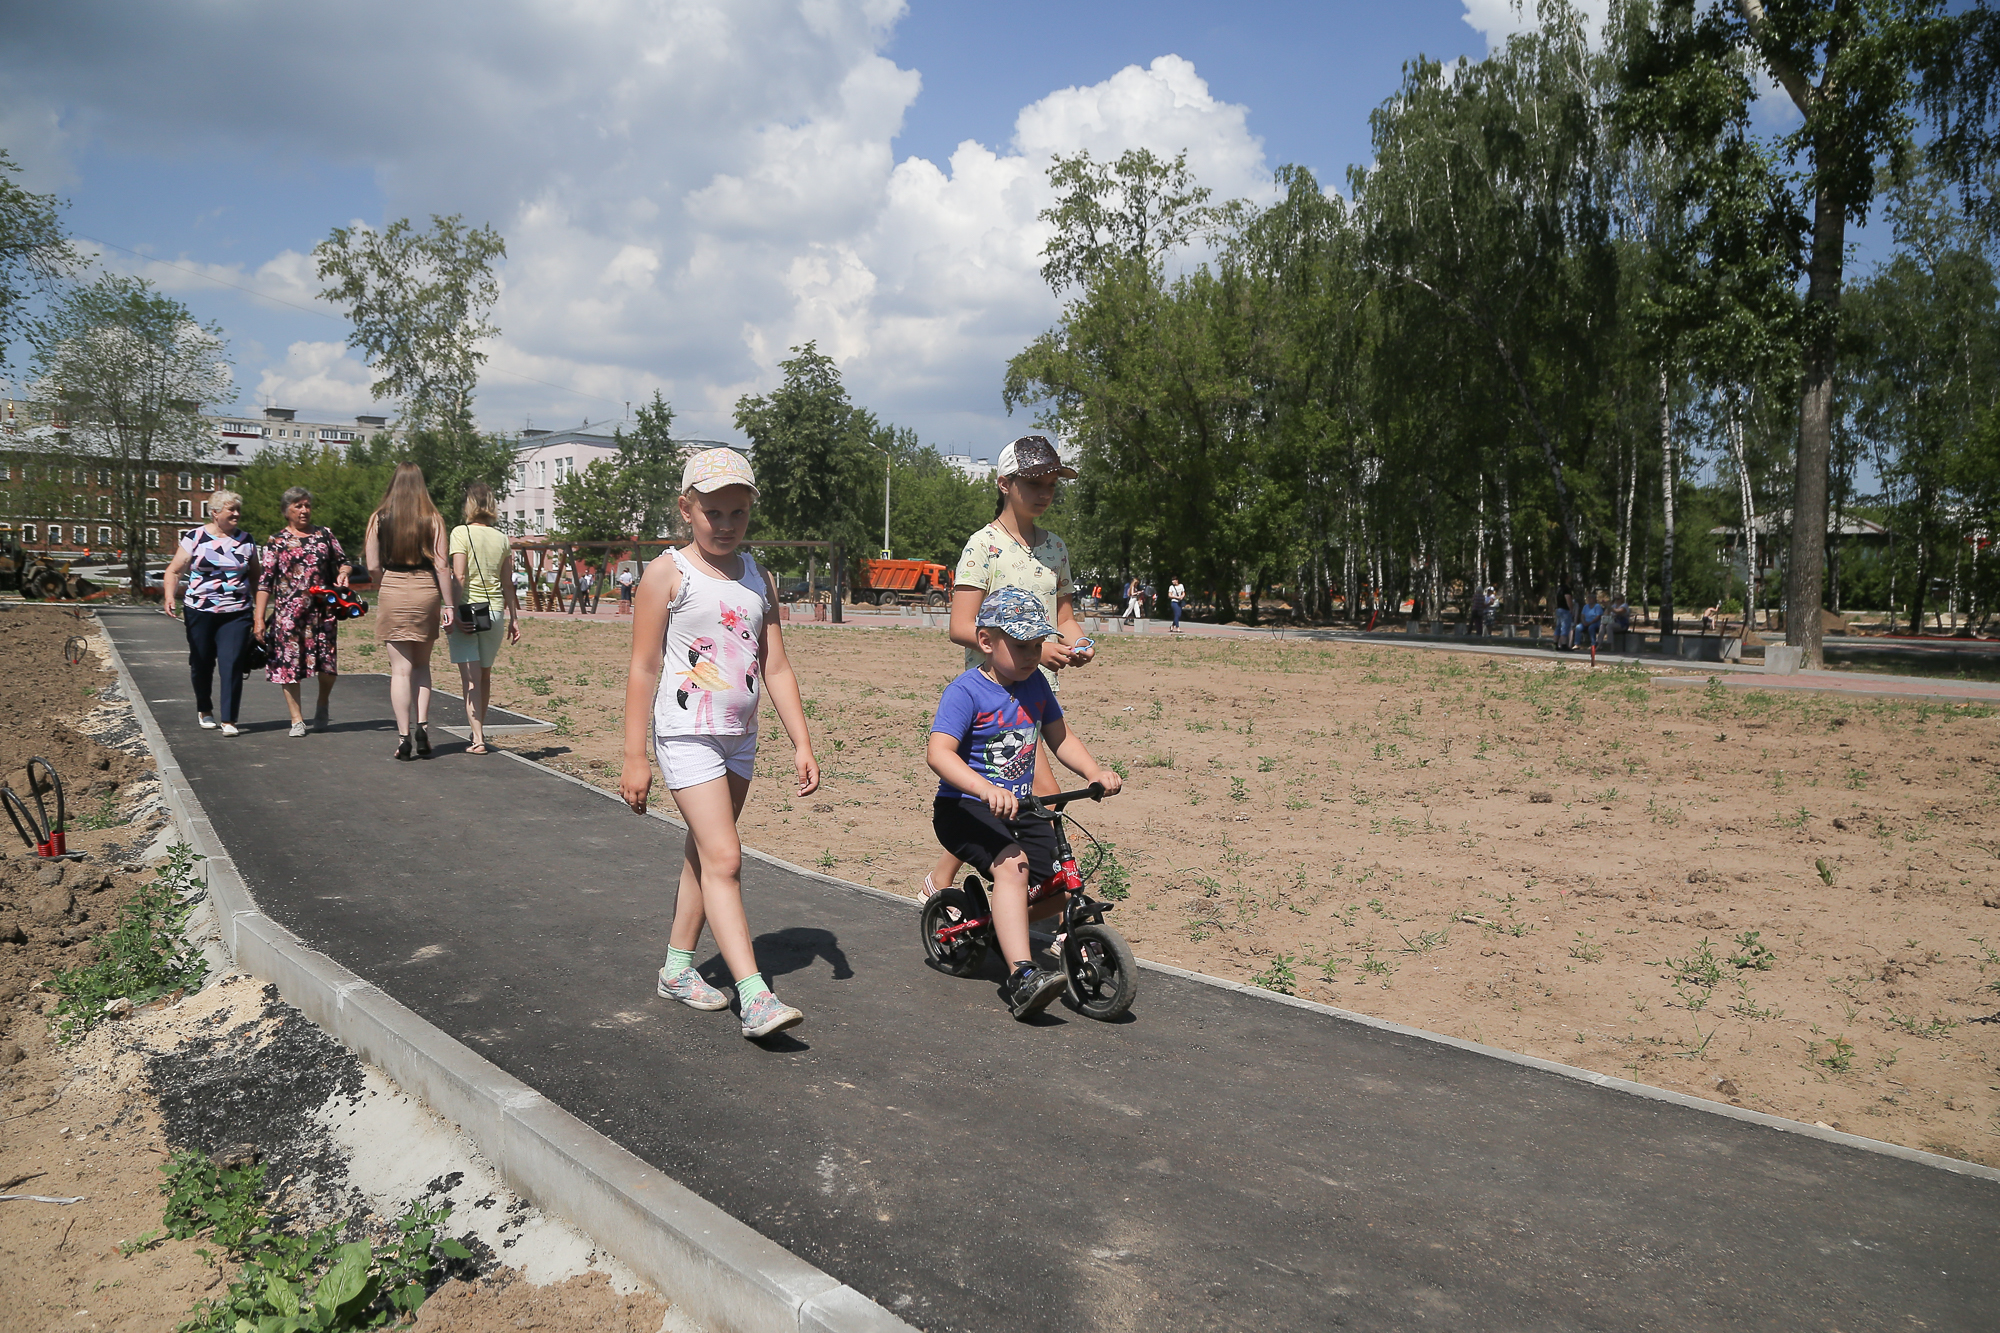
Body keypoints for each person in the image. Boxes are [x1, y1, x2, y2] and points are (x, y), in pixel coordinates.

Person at [620, 447, 820, 1041]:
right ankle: (755, 996)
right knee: (726, 859)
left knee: (705, 854)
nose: (727, 524)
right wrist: (635, 756)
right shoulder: (668, 574)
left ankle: (677, 969)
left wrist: (801, 743)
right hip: (686, 735)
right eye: (714, 512)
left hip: (740, 739)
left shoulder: (759, 576)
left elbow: (776, 665)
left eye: (738, 512)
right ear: (687, 509)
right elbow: (642, 667)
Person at [929, 588, 1123, 1019]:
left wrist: (1093, 772)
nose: (1031, 655)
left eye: (1037, 646)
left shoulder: (1036, 684)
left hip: (1020, 806)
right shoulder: (966, 692)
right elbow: (938, 754)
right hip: (964, 807)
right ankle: (1021, 974)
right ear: (985, 641)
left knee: (1060, 879)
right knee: (1013, 866)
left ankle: (1004, 922)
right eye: (1020, 646)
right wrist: (984, 788)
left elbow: (1061, 737)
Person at [919, 434, 1095, 907]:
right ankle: (1064, 923)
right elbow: (960, 625)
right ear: (1004, 484)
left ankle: (942, 884)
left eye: (1052, 482)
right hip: (993, 699)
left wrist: (1076, 643)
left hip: (1039, 693)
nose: (1044, 492)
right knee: (1043, 805)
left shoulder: (1055, 548)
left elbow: (1064, 617)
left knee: (1009, 800)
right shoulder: (983, 547)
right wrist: (1033, 649)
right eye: (1033, 482)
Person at [365, 463, 456, 760]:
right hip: (425, 588)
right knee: (421, 666)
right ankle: (423, 729)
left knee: (399, 670)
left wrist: (383, 583)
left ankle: (403, 737)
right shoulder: (433, 519)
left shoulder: (379, 518)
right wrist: (449, 603)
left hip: (392, 585)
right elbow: (442, 565)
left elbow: (372, 565)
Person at [254, 486, 352, 738]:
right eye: (298, 506)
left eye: (307, 505)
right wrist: (258, 619)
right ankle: (296, 719)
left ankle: (322, 704)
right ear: (286, 511)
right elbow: (265, 582)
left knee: (328, 666)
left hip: (322, 612)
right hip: (288, 615)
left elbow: (344, 561)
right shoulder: (277, 541)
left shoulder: (324, 535)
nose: (304, 510)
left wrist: (343, 573)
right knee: (288, 666)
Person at [162, 489, 259, 737]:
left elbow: (256, 577)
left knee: (232, 663)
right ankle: (205, 708)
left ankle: (229, 719)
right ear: (215, 513)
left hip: (236, 612)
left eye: (238, 509)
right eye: (231, 509)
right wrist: (169, 596)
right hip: (200, 611)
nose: (237, 513)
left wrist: (260, 611)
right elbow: (174, 571)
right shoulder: (195, 537)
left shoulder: (246, 540)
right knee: (201, 662)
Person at [447, 481, 522, 755]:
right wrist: (515, 618)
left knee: (470, 679)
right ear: (492, 506)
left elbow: (460, 576)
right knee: (485, 675)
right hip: (494, 611)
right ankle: (479, 729)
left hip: (468, 611)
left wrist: (452, 610)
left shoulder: (460, 533)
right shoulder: (501, 538)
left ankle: (477, 738)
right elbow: (508, 583)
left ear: (469, 504)